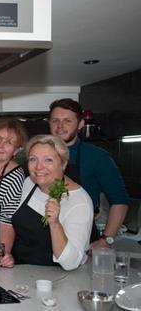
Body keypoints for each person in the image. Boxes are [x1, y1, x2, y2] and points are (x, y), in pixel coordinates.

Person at [0, 135, 93, 270]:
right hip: (20, 274)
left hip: (59, 281)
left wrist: (55, 224)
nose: (38, 167)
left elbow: (71, 263)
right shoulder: (29, 183)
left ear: (63, 164)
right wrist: (5, 253)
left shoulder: (79, 202)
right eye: (33, 159)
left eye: (48, 160)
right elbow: (9, 222)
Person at [49, 98, 129, 250]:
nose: (60, 126)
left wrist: (106, 240)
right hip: (41, 236)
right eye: (55, 121)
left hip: (80, 238)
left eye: (67, 121)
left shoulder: (97, 157)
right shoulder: (38, 155)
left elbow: (119, 201)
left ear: (80, 124)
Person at [0, 118, 27, 265]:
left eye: (9, 142)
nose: (1, 145)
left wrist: (2, 253)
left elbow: (7, 220)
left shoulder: (14, 176)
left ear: (16, 150)